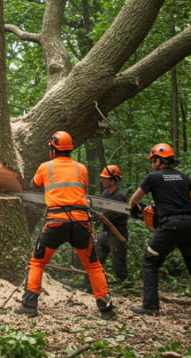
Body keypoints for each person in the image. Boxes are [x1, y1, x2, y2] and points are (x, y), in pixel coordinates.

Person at [16, 131, 116, 320]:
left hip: (56, 222)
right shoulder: (81, 168)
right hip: (80, 223)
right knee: (94, 267)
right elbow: (80, 190)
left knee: (37, 263)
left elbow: (34, 185)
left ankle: (29, 306)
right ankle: (107, 310)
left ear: (53, 150)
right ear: (70, 150)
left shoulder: (46, 167)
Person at [127, 143, 191, 317]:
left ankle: (150, 306)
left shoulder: (152, 177)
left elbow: (134, 199)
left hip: (169, 228)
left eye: (153, 160)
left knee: (150, 262)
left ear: (159, 160)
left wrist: (133, 211)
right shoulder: (184, 177)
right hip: (190, 226)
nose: (153, 164)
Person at [95, 165, 130, 285]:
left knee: (118, 260)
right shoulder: (105, 193)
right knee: (97, 255)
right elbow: (101, 211)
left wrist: (104, 216)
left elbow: (118, 214)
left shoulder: (119, 195)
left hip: (117, 231)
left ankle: (124, 282)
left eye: (105, 178)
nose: (103, 180)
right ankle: (93, 279)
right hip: (105, 231)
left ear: (112, 179)